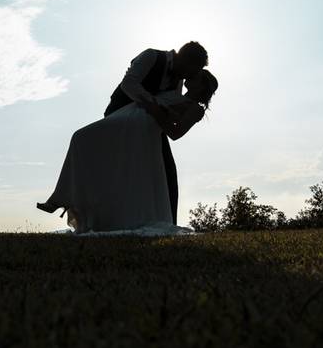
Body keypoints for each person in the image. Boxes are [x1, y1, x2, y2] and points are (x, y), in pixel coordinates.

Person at [36, 46, 218, 234]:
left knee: (162, 174)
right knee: (83, 142)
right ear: (185, 59)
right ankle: (68, 200)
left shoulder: (183, 91)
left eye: (196, 75)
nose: (190, 76)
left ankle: (155, 219)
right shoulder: (152, 57)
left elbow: (173, 123)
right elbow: (129, 84)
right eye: (193, 70)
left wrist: (158, 112)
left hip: (145, 128)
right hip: (122, 116)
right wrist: (152, 104)